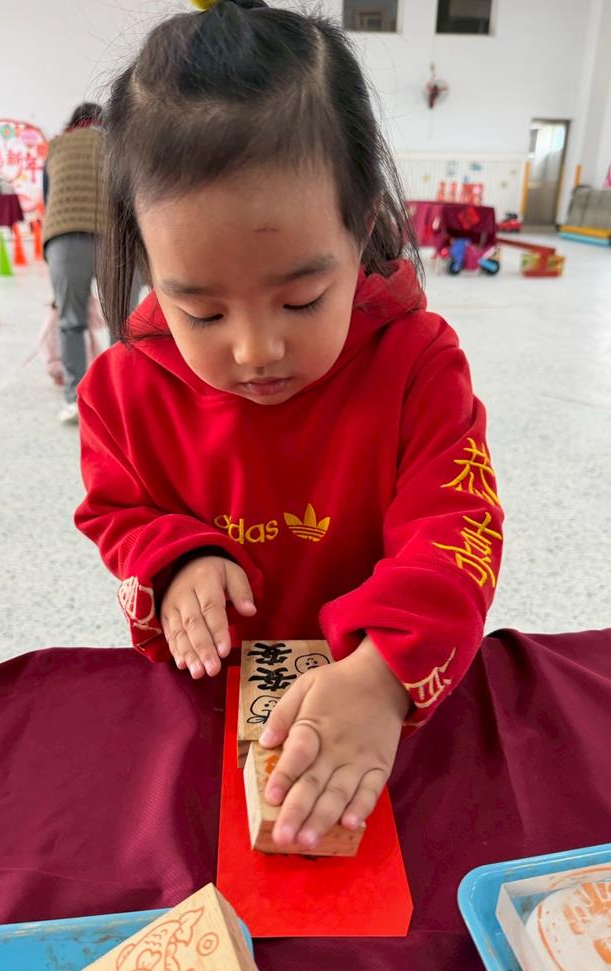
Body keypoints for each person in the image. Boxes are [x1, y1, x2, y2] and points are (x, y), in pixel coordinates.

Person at [75, 0, 504, 852]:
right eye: (201, 311)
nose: (255, 350)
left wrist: (383, 675)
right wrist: (175, 558)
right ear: (147, 260)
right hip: (211, 704)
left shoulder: (417, 363)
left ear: (363, 225)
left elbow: (457, 526)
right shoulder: (122, 389)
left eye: (302, 298)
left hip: (378, 696)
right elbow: (115, 513)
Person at [42, 102, 106, 424]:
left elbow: (48, 198)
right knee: (125, 323)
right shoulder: (118, 141)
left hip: (63, 236)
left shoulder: (57, 146)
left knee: (70, 321)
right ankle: (127, 396)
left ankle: (75, 400)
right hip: (115, 236)